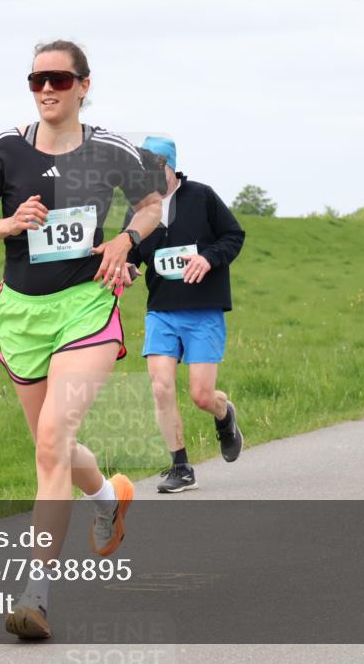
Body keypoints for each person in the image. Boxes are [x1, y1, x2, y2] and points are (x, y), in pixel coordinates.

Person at [0, 40, 163, 639]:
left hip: (86, 306)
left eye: (58, 78)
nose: (46, 89)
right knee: (54, 449)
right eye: (36, 79)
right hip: (21, 312)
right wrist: (11, 222)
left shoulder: (109, 147)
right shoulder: (5, 149)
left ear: (83, 85)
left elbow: (154, 202)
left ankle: (35, 597)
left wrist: (127, 239)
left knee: (52, 440)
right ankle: (108, 500)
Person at [124, 137, 246, 493]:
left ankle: (225, 415)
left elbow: (234, 235)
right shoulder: (139, 208)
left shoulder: (202, 196)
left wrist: (208, 258)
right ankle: (181, 465)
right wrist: (127, 270)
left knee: (201, 396)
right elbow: (130, 252)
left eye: (155, 168)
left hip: (202, 311)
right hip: (161, 312)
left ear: (171, 167)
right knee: (161, 387)